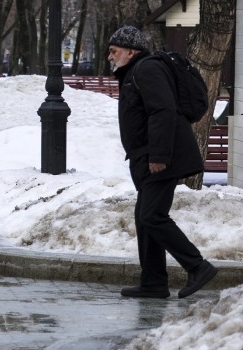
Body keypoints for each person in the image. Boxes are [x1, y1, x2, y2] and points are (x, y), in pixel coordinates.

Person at [108, 26, 218, 299]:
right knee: (144, 218)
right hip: (146, 156)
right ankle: (153, 283)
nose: (110, 57)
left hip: (160, 157)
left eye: (114, 51)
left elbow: (163, 111)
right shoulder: (135, 72)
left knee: (152, 216)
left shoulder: (146, 70)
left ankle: (198, 267)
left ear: (130, 51)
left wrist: (158, 156)